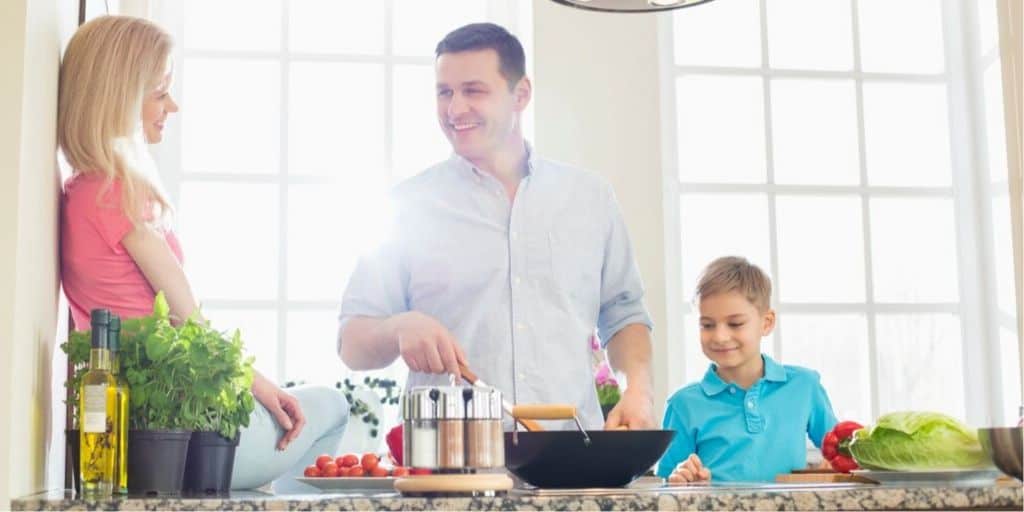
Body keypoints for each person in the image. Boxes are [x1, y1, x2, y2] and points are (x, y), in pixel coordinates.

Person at [57, 15, 348, 493]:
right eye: (159, 90)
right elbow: (187, 321)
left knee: (263, 485)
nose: (172, 104)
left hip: (136, 431)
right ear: (119, 96)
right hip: (187, 433)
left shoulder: (81, 192)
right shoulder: (118, 194)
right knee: (331, 407)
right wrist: (261, 386)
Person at [338, 22, 655, 430]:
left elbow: (624, 312)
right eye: (444, 92)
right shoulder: (407, 206)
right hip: (447, 465)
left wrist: (637, 391)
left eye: (473, 90)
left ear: (520, 94)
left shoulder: (590, 198)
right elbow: (352, 343)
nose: (454, 110)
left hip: (570, 458)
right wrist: (399, 327)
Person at [657, 256, 837, 482]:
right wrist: (680, 479)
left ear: (767, 322)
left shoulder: (805, 386)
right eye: (707, 325)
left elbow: (843, 455)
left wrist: (831, 469)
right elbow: (666, 489)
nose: (720, 337)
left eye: (735, 324)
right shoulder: (683, 404)